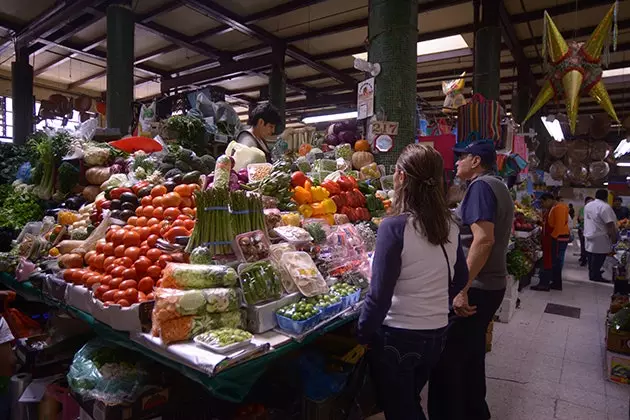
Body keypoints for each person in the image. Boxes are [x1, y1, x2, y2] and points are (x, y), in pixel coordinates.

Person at [357, 144, 468, 420]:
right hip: (436, 334)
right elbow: (461, 277)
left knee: (401, 410)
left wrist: (361, 333)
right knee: (409, 400)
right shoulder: (450, 223)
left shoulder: (394, 227)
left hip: (399, 337)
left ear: (402, 178)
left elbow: (379, 295)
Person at [429, 140, 514, 420]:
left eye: (460, 157)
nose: (455, 163)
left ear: (476, 161)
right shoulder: (497, 185)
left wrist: (461, 288)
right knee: (471, 355)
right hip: (491, 284)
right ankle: (476, 411)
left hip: (476, 287)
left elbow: (484, 240)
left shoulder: (480, 187)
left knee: (447, 361)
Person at [531, 194, 570, 291]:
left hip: (557, 239)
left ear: (548, 200)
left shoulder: (559, 208)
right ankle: (555, 283)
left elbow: (559, 226)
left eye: (543, 202)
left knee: (550, 262)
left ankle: (545, 284)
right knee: (554, 262)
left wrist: (552, 239)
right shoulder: (553, 208)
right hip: (555, 238)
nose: (542, 205)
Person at [584, 189, 617, 283]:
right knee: (599, 256)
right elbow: (610, 224)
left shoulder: (588, 205)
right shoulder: (605, 207)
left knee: (591, 255)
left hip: (589, 234)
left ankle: (592, 273)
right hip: (600, 236)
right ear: (606, 197)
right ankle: (595, 275)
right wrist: (614, 238)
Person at [577, 197, 594, 266]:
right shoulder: (583, 209)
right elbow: (580, 218)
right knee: (584, 245)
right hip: (583, 229)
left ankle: (587, 259)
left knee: (590, 246)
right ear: (585, 202)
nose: (591, 203)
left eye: (592, 202)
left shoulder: (594, 210)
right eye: (589, 201)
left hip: (592, 230)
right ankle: (584, 259)